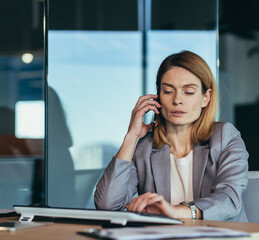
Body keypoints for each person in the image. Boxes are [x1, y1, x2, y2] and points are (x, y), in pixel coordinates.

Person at [94, 50, 249, 221]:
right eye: (168, 91)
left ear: (206, 97)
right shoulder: (143, 147)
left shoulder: (225, 137)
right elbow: (106, 205)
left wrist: (177, 211)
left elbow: (230, 200)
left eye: (188, 92)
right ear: (158, 96)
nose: (177, 100)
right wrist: (131, 137)